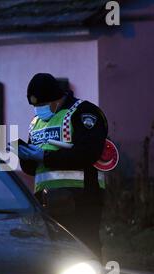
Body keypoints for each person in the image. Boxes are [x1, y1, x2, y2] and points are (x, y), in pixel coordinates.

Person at [18, 73, 108, 258]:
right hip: (48, 202)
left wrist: (45, 156)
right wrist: (26, 157)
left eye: (41, 105)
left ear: (57, 98)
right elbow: (32, 169)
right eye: (35, 106)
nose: (38, 109)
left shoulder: (83, 112)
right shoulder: (36, 122)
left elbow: (88, 152)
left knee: (85, 251)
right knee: (55, 255)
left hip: (81, 199)